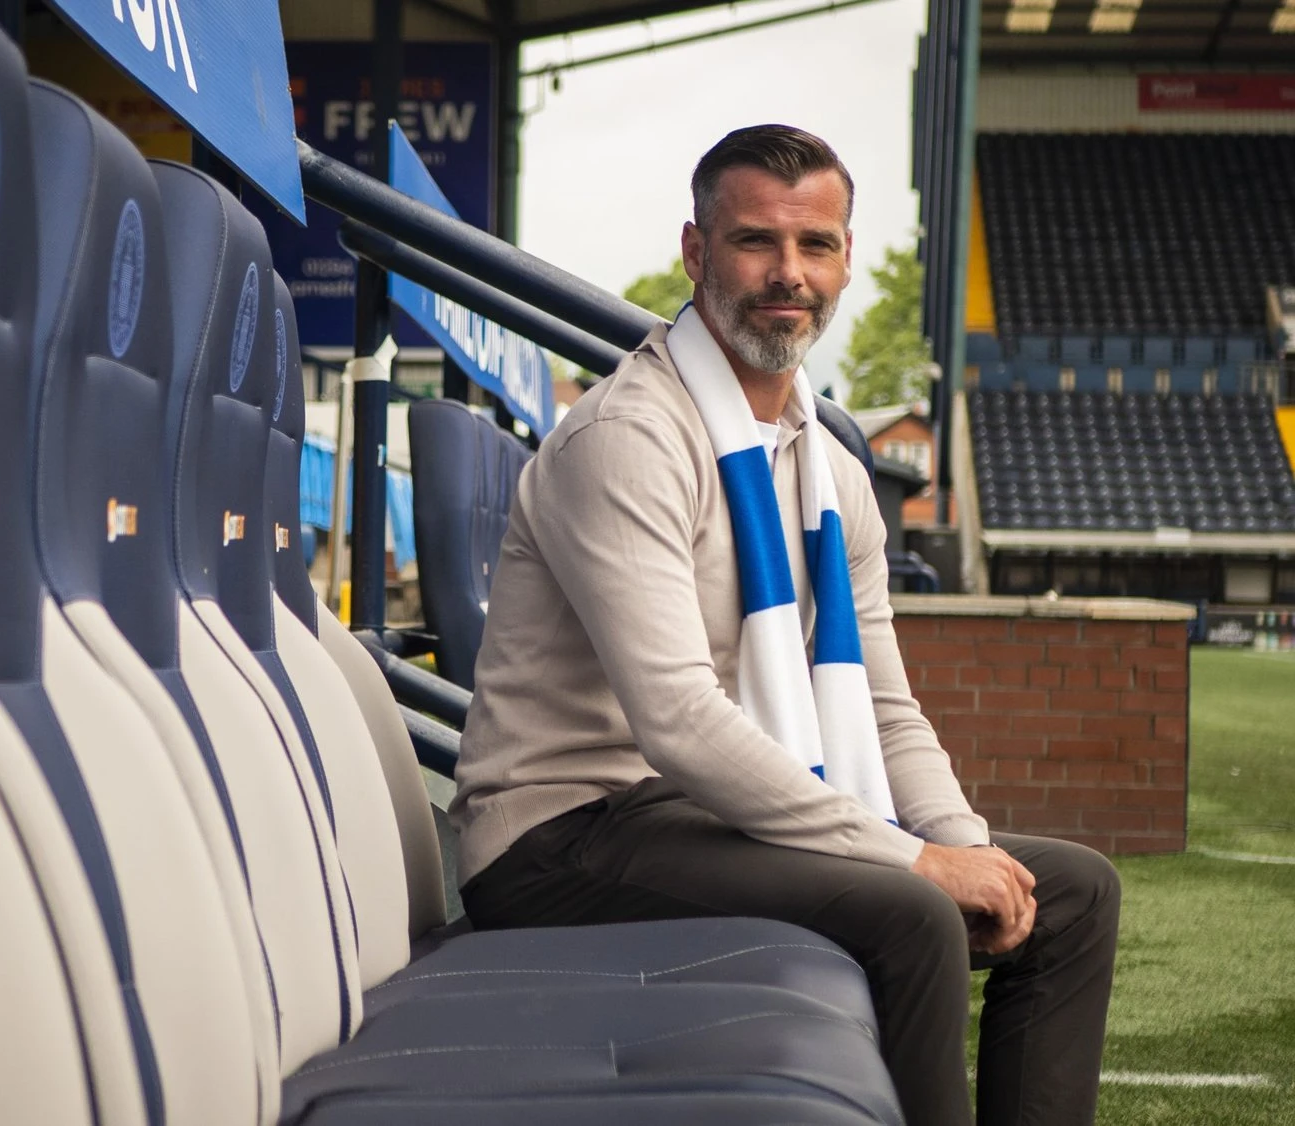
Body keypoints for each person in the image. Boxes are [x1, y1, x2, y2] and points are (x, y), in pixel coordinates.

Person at [451, 124, 1119, 1126]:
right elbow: (678, 721)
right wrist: (913, 862)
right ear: (696, 252)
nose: (787, 274)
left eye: (814, 245)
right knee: (908, 909)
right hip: (560, 836)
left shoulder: (829, 473)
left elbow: (886, 709)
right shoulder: (630, 438)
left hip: (691, 817)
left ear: (844, 260)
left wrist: (966, 849)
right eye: (754, 240)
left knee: (1070, 891)